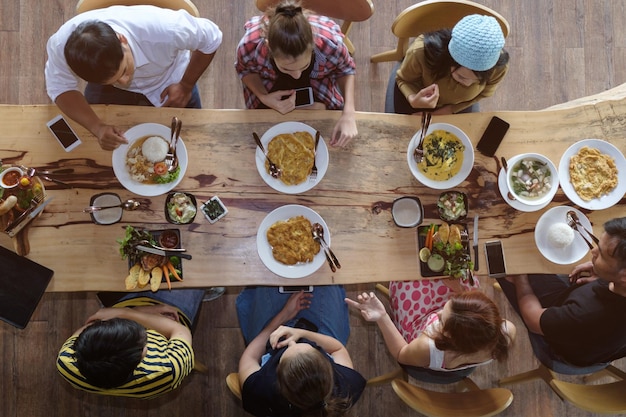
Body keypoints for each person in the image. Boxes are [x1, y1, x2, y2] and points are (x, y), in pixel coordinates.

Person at [45, 5, 223, 150]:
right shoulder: (61, 46)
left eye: (123, 72)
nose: (123, 82)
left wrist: (186, 84)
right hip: (108, 89)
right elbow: (60, 87)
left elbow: (212, 37)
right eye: (114, 79)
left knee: (194, 139)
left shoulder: (167, 28)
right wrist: (97, 127)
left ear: (122, 40)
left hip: (171, 79)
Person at [497, 217, 626, 367]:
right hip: (593, 336)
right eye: (598, 244)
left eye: (602, 255)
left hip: (562, 353)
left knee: (506, 266)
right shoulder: (617, 286)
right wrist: (602, 274)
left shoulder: (587, 315)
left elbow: (533, 320)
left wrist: (521, 278)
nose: (593, 251)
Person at [235, 0, 357, 147]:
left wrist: (349, 113)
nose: (297, 76)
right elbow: (245, 69)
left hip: (318, 83)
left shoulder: (330, 44)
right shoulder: (249, 45)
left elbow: (346, 68)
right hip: (268, 85)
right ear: (268, 48)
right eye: (287, 69)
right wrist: (263, 96)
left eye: (304, 66)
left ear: (313, 43)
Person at [346, 280, 515, 382]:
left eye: (441, 320)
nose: (438, 313)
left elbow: (401, 353)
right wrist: (460, 290)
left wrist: (382, 317)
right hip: (462, 366)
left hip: (421, 363)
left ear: (448, 335)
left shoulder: (428, 346)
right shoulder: (506, 331)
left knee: (406, 284)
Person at [236, 286, 366, 416]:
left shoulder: (261, 392)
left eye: (288, 348)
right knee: (326, 283)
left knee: (266, 283)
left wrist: (282, 317)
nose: (292, 341)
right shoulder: (345, 389)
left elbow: (250, 357)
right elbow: (337, 349)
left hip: (269, 339)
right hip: (320, 334)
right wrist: (301, 333)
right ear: (327, 366)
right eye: (312, 349)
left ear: (278, 377)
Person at [56, 289, 205, 398]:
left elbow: (91, 325)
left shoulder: (67, 361)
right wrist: (129, 313)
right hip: (168, 315)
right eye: (144, 338)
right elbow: (179, 329)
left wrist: (127, 311)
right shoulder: (167, 371)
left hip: (120, 305)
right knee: (197, 274)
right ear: (143, 354)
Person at [393, 14, 509, 115]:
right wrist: (413, 99)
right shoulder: (420, 53)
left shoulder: (498, 67)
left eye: (476, 81)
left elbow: (484, 93)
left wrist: (450, 109)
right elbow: (403, 80)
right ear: (449, 60)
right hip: (414, 98)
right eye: (461, 77)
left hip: (458, 107)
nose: (468, 84)